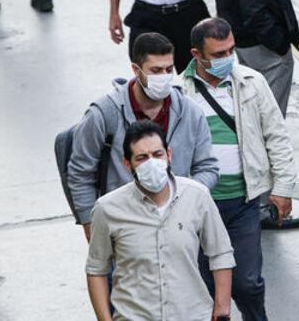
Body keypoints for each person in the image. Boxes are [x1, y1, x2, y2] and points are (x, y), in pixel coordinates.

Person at [182, 17, 298, 320]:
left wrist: (283, 189)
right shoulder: (179, 93)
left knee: (247, 283)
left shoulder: (251, 81)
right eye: (219, 54)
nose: (228, 59)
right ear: (197, 56)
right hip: (199, 207)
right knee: (204, 283)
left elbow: (277, 135)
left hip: (243, 203)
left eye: (230, 50)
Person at [67, 32, 219, 241]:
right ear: (136, 70)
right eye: (156, 70)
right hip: (121, 228)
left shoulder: (190, 111)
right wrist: (91, 228)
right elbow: (80, 173)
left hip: (178, 229)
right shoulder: (103, 114)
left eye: (168, 69)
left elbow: (207, 167)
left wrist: (185, 198)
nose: (164, 76)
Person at [85, 120, 234, 320]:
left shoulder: (197, 196)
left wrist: (222, 311)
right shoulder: (107, 209)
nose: (151, 163)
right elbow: (96, 269)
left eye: (157, 154)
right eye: (141, 158)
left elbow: (221, 253)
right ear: (127, 165)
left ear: (169, 155)